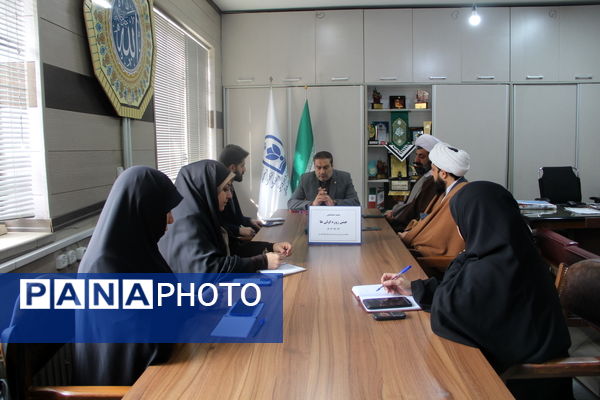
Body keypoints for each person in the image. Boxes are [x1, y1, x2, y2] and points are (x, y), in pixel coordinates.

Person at [381, 182, 573, 399]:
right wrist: (414, 287)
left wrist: (433, 296)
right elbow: (458, 293)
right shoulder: (506, 250)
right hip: (509, 368)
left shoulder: (498, 267)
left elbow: (453, 311)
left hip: (524, 384)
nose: (458, 228)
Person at [74, 166, 183, 385]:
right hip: (126, 388)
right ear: (145, 208)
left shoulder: (137, 251)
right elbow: (146, 343)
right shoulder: (105, 267)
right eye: (165, 210)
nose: (170, 220)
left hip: (157, 372)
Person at [159, 160, 292, 273]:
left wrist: (271, 247)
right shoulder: (186, 225)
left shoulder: (204, 215)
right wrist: (262, 262)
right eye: (225, 189)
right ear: (207, 189)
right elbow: (209, 269)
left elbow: (233, 247)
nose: (230, 195)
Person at [400, 143, 469, 258]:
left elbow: (439, 238)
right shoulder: (445, 191)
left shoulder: (458, 195)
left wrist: (408, 236)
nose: (432, 174)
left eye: (433, 170)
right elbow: (428, 220)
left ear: (443, 174)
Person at [385, 134, 440, 232]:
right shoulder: (424, 177)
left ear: (432, 159)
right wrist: (395, 211)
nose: (416, 160)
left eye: (421, 156)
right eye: (416, 155)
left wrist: (395, 217)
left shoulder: (432, 182)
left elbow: (417, 212)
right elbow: (409, 204)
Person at [288, 151, 360, 210]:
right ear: (314, 167)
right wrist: (312, 204)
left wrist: (334, 203)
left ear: (332, 166)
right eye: (318, 168)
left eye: (325, 167)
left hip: (337, 219)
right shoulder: (305, 179)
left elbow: (355, 202)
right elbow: (291, 203)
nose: (322, 172)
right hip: (314, 219)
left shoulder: (344, 177)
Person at [218, 144, 262, 238]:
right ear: (233, 168)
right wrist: (238, 230)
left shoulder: (230, 186)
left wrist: (250, 221)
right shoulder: (219, 190)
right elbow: (218, 223)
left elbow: (235, 218)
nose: (244, 169)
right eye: (242, 166)